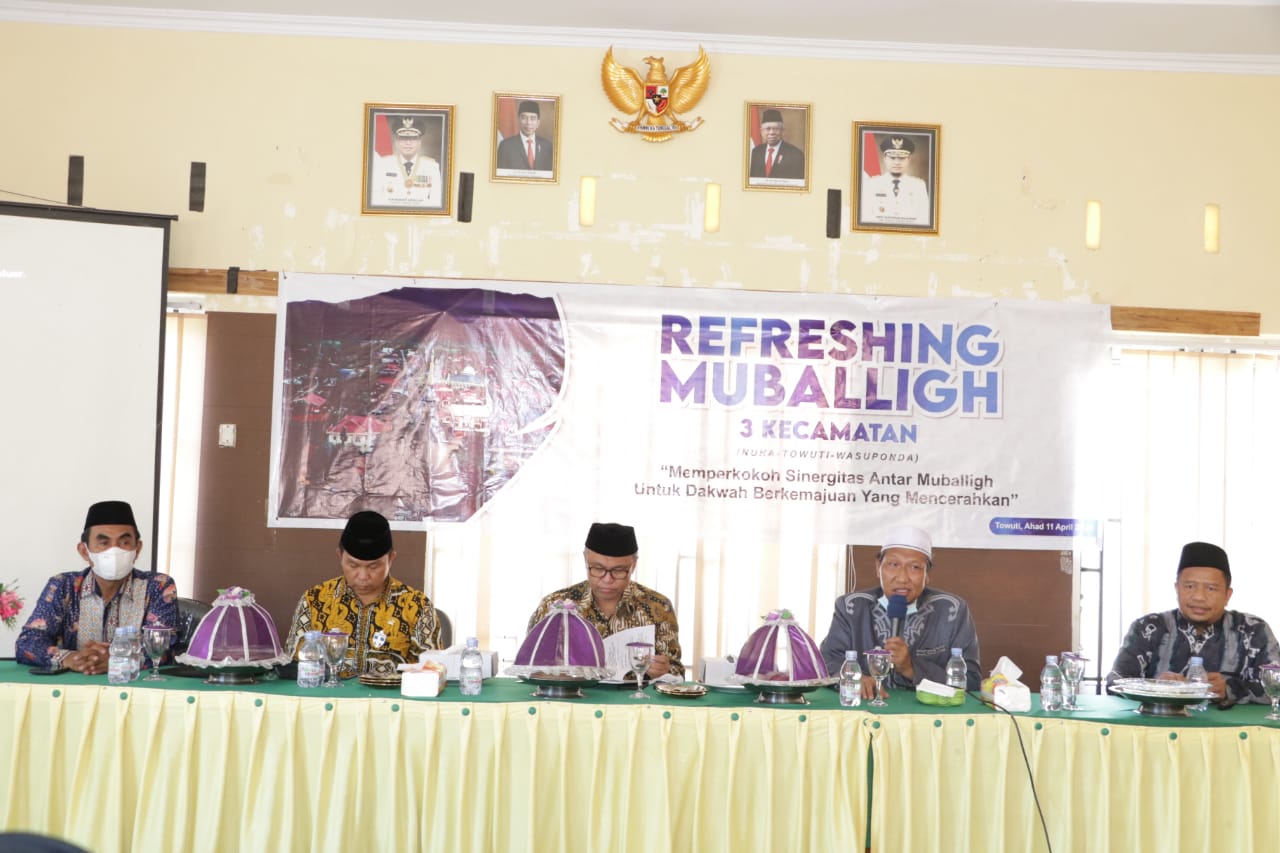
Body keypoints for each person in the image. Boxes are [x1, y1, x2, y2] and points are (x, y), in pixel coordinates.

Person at [1107, 541, 1279, 705]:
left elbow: (1277, 686)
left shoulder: (1253, 630)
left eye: (1211, 588)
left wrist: (1229, 689)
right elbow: (1115, 682)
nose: (1199, 597)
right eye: (1189, 586)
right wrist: (1156, 687)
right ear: (1177, 589)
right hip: (1160, 724)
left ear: (1227, 595)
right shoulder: (1148, 628)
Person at [16, 500, 178, 673]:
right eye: (104, 543)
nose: (114, 550)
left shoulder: (158, 586)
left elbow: (165, 648)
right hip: (74, 685)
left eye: (124, 542)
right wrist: (71, 658)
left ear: (137, 549)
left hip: (135, 686)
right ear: (84, 551)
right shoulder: (63, 585)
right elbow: (28, 642)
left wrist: (118, 659)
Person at [819, 525, 980, 699]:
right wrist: (852, 677)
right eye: (893, 565)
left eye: (915, 567)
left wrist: (911, 668)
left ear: (927, 574)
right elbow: (826, 663)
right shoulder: (851, 607)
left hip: (928, 712)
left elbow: (971, 680)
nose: (902, 578)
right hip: (866, 709)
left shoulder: (952, 610)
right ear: (878, 567)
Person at [283, 510, 443, 677]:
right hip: (327, 693)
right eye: (353, 565)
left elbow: (432, 670)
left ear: (391, 559)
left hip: (393, 694)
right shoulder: (314, 600)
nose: (363, 576)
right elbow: (293, 664)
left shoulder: (416, 605)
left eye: (373, 567)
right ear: (340, 556)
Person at [526, 522, 684, 678]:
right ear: (586, 560)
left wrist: (664, 671)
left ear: (634, 565)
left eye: (619, 570)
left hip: (635, 695)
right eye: (598, 568)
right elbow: (527, 666)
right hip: (573, 693)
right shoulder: (554, 605)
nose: (607, 579)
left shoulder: (658, 606)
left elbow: (677, 672)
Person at [370, 114, 442, 207]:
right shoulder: (383, 165)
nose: (408, 143)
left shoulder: (432, 167)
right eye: (403, 138)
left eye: (413, 138)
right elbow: (376, 199)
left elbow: (436, 202)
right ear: (396, 141)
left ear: (420, 142)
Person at [860, 134, 931, 225]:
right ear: (885, 158)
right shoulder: (872, 184)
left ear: (908, 159)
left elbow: (924, 219)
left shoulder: (918, 186)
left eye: (902, 158)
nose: (897, 162)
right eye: (892, 158)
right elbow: (866, 217)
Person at [495, 100, 553, 173]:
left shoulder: (547, 146)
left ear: (538, 123)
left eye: (533, 118)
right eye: (524, 118)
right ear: (518, 120)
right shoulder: (506, 146)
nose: (528, 122)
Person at [748, 108, 805, 181]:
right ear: (761, 132)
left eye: (775, 129)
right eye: (768, 129)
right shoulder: (756, 152)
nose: (771, 132)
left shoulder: (796, 155)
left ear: (783, 131)